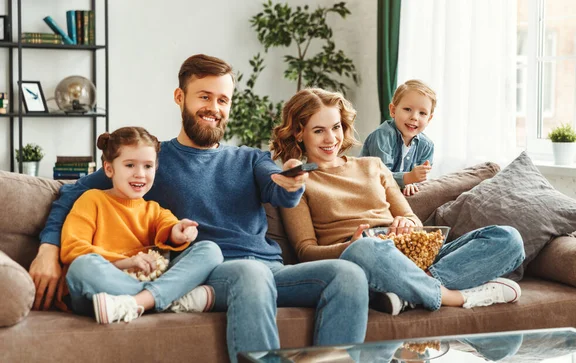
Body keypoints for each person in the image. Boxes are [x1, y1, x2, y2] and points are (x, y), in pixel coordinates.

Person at [29, 54, 369, 362]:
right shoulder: (151, 160)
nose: (214, 107)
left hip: (272, 272)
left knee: (348, 275)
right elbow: (72, 193)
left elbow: (278, 187)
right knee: (250, 275)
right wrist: (48, 249)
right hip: (212, 274)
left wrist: (291, 183)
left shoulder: (252, 159)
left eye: (223, 99)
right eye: (204, 97)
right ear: (181, 98)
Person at [270, 88, 526, 316]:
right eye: (319, 131)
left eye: (336, 127)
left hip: (410, 255)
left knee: (508, 238)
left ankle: (409, 291)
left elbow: (412, 220)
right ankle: (454, 297)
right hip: (362, 259)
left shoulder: (373, 166)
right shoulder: (296, 183)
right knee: (366, 249)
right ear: (299, 133)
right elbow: (305, 252)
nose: (331, 139)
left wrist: (405, 221)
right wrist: (350, 244)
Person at [60, 126, 222, 323]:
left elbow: (168, 225)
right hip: (101, 289)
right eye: (130, 165)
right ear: (109, 169)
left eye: (148, 166)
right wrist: (126, 262)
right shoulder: (92, 200)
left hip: (143, 282)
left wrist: (178, 232)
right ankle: (172, 300)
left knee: (210, 250)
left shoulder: (153, 209)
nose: (140, 174)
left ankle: (139, 303)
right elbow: (72, 248)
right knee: (82, 267)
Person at [360, 79, 436, 196]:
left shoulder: (427, 146)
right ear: (393, 110)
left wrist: (412, 182)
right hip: (366, 190)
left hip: (393, 193)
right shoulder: (382, 136)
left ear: (429, 119)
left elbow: (419, 180)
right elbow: (380, 177)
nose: (414, 117)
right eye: (407, 109)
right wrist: (408, 178)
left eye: (422, 113)